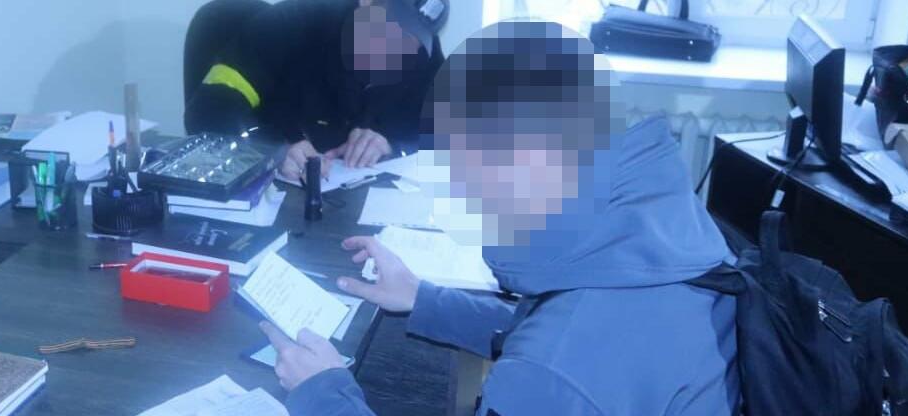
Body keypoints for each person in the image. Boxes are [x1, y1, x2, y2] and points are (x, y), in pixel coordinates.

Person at [258, 21, 741, 415]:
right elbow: (563, 324)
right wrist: (424, 299)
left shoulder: (551, 373)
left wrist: (323, 393)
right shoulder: (656, 226)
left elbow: (562, 359)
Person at [182, 0, 447, 182]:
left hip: (346, 207)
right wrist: (270, 150)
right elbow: (209, 109)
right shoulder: (290, 24)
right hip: (264, 194)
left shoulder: (422, 58)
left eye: (410, 40)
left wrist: (393, 145)